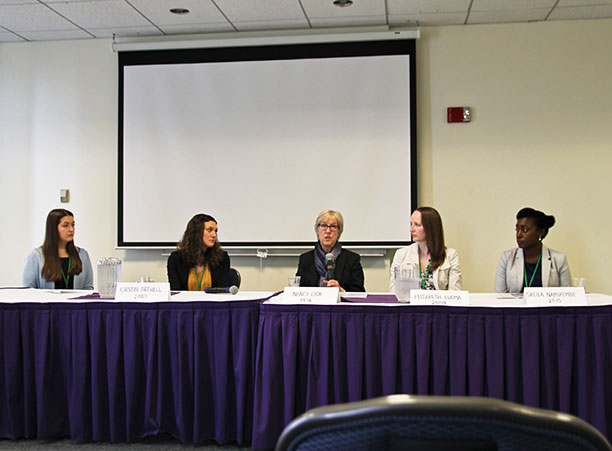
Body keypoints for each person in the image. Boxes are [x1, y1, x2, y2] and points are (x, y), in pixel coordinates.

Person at [495, 207, 571, 293]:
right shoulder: (507, 258)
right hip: (515, 306)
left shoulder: (559, 259)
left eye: (525, 230)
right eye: (517, 230)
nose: (518, 235)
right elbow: (499, 296)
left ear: (541, 232)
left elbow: (567, 297)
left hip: (548, 306)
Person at [390, 206, 462, 291]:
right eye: (411, 224)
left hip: (438, 304)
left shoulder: (451, 255)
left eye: (417, 225)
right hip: (410, 304)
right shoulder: (401, 254)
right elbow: (393, 292)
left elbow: (456, 293)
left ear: (430, 228)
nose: (411, 229)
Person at [22, 208, 94, 289]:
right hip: (48, 301)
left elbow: (88, 288)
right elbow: (28, 290)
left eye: (73, 225)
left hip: (75, 301)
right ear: (53, 228)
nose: (71, 229)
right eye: (65, 225)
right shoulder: (36, 256)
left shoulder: (82, 255)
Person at [296, 210, 365, 292]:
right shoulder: (305, 259)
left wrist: (341, 291)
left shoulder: (352, 259)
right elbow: (298, 290)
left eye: (333, 226)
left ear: (339, 232)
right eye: (324, 225)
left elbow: (359, 292)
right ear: (317, 230)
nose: (328, 231)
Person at [167, 214, 233, 291]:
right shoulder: (176, 259)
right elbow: (176, 292)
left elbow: (221, 292)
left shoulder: (222, 258)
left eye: (215, 231)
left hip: (212, 302)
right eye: (209, 230)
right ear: (196, 232)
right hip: (186, 302)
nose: (214, 235)